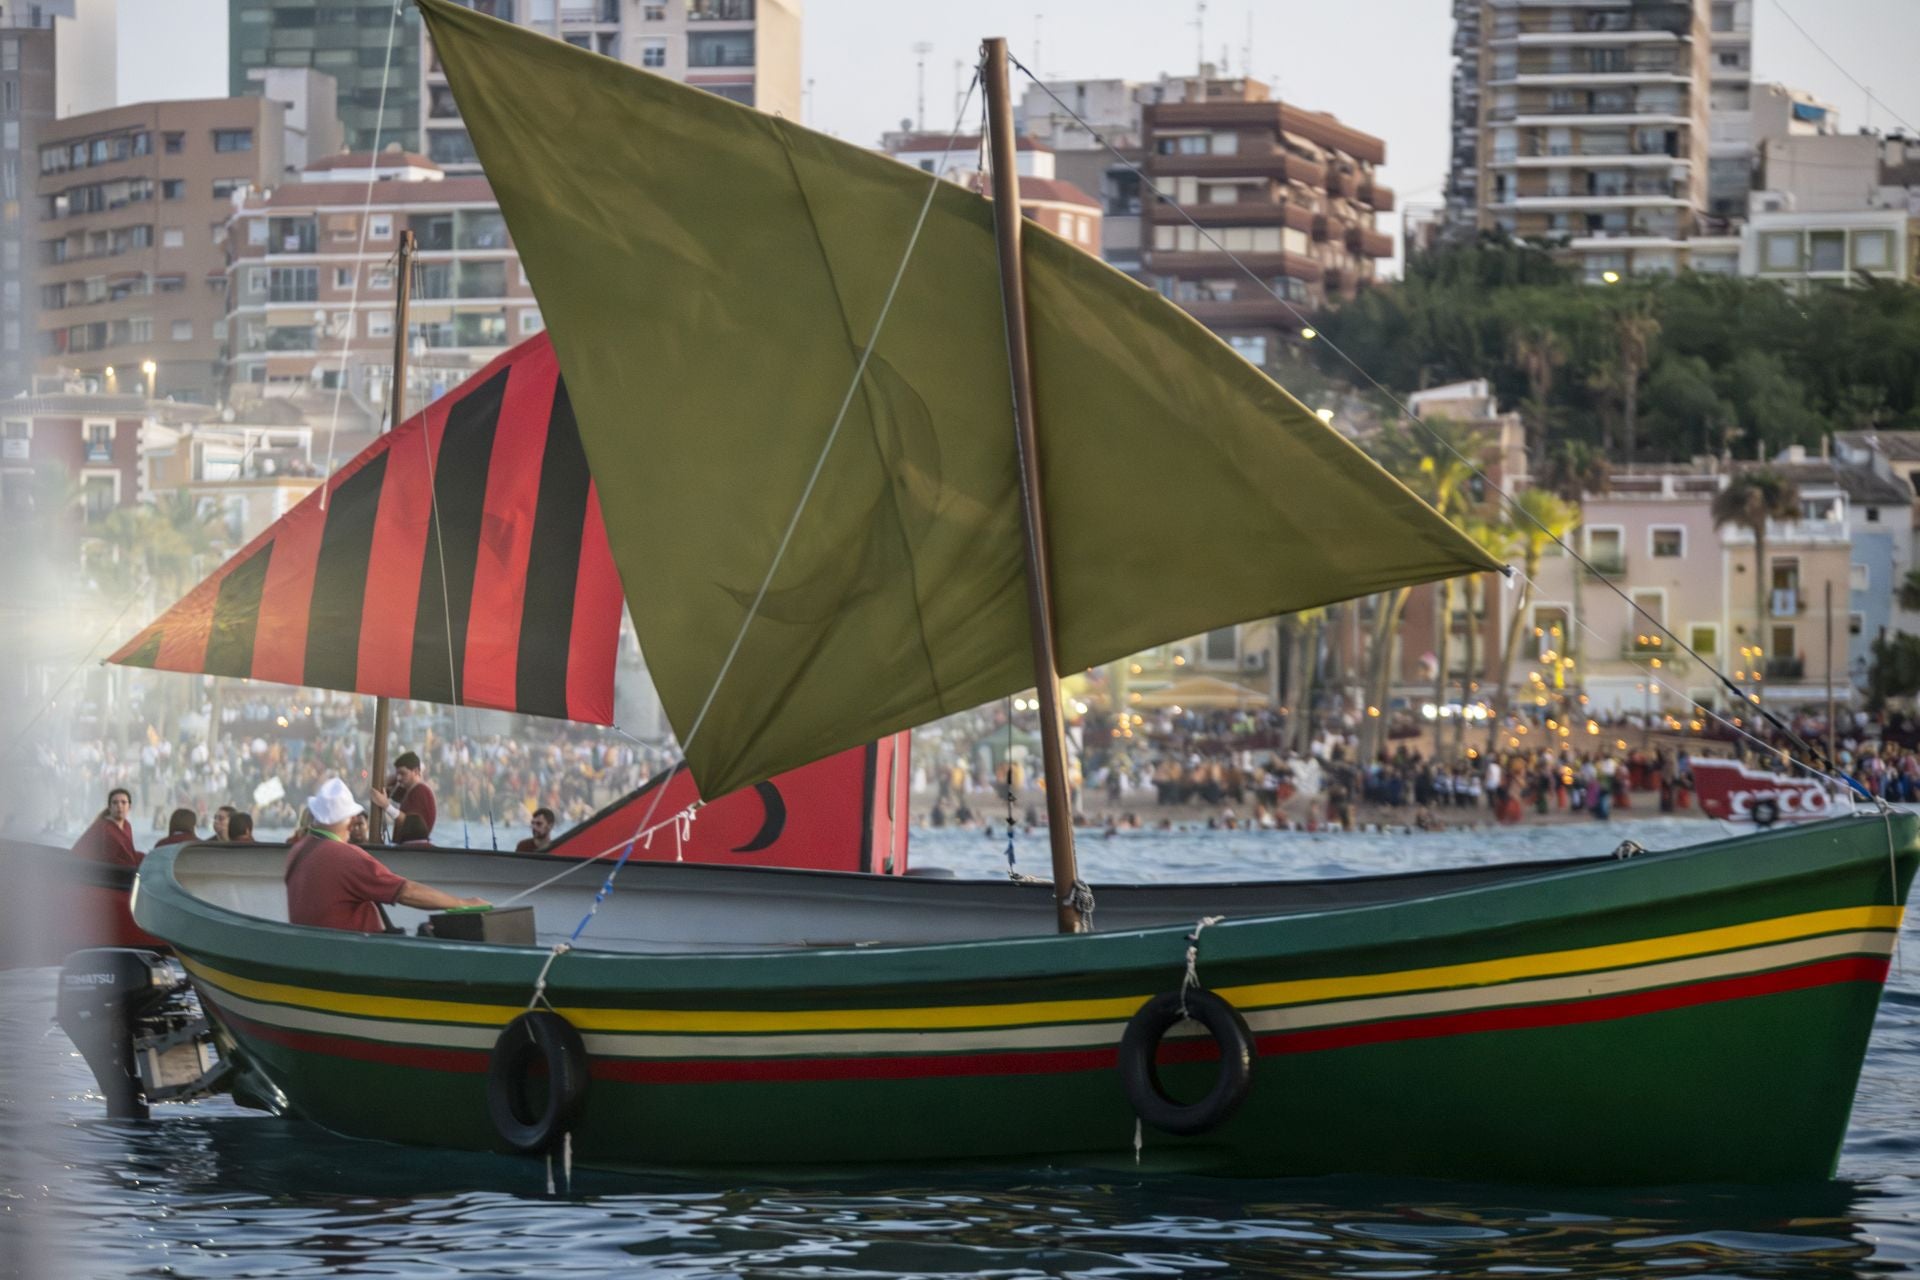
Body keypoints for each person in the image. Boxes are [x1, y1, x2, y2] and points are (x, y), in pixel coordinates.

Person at [285, 777, 484, 933]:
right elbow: (407, 892)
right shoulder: (346, 857)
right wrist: (463, 903)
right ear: (351, 820)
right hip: (356, 955)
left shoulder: (298, 850)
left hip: (320, 952)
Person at [374, 750, 437, 838]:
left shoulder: (421, 791)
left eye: (403, 773)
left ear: (416, 771)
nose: (399, 778)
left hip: (413, 847)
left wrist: (386, 806)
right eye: (397, 774)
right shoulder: (408, 791)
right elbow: (385, 793)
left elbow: (411, 823)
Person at [73, 787, 141, 866]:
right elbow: (108, 858)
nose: (119, 806)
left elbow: (129, 853)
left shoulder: (127, 826)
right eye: (115, 803)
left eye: (123, 802)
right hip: (87, 868)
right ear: (109, 807)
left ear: (129, 806)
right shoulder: (104, 828)